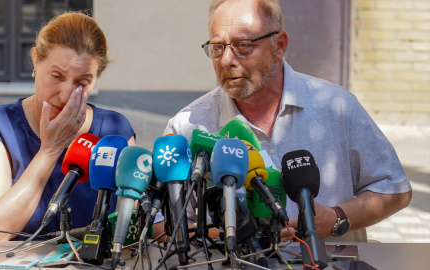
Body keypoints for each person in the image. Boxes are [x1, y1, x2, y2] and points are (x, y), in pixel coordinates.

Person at [164, 0, 412, 242]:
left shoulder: (337, 108)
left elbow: (394, 189)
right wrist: (234, 233)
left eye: (243, 44)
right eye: (217, 47)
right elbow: (165, 228)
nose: (227, 59)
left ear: (280, 45)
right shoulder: (187, 127)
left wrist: (336, 218)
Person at [0, 12, 135, 241]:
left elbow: (133, 227)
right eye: (56, 76)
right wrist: (51, 149)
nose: (66, 95)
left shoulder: (115, 131)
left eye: (81, 83)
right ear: (35, 61)